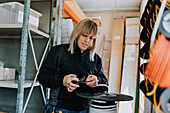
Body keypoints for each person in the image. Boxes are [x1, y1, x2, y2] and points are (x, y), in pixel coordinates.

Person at [37, 18, 108, 113]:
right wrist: (62, 80)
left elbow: (105, 84)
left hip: (85, 109)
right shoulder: (58, 52)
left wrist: (97, 80)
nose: (87, 40)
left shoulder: (96, 59)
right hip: (60, 108)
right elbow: (42, 77)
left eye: (91, 38)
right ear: (77, 34)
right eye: (84, 35)